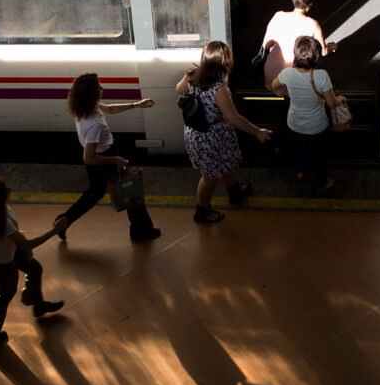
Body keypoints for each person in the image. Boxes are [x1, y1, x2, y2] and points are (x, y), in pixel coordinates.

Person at [56, 73, 161, 242]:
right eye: (98, 87)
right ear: (91, 93)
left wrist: (136, 104)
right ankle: (141, 229)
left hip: (104, 157)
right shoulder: (93, 123)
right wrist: (114, 160)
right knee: (130, 188)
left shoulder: (86, 107)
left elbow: (110, 109)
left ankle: (63, 220)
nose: (102, 88)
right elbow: (89, 158)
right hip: (103, 159)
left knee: (94, 194)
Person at [176, 41, 272, 223]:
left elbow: (179, 90)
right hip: (211, 137)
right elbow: (234, 118)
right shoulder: (218, 89)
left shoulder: (191, 76)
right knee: (208, 177)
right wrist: (257, 132)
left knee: (221, 163)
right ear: (224, 63)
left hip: (195, 133)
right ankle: (202, 211)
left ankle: (234, 191)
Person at [0, 176, 67, 342]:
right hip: (2, 262)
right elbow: (27, 245)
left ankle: (36, 302)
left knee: (35, 269)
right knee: (5, 295)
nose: (9, 189)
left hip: (10, 251)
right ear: (2, 196)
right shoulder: (2, 221)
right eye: (5, 189)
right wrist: (54, 231)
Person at [271, 36, 344, 193]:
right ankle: (321, 183)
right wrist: (340, 98)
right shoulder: (321, 75)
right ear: (316, 57)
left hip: (294, 124)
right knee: (323, 155)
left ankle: (301, 172)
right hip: (317, 127)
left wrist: (287, 94)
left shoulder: (287, 74)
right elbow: (331, 103)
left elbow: (273, 86)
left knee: (303, 146)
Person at [261, 0, 337, 97]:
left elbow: (266, 45)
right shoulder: (312, 24)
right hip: (296, 78)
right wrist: (332, 46)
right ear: (309, 5)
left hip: (273, 74)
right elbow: (323, 51)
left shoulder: (278, 16)